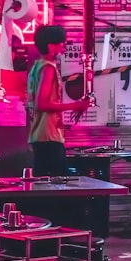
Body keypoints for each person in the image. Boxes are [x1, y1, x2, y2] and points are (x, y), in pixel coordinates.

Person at [25, 25, 91, 176]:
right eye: (61, 43)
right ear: (51, 46)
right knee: (56, 184)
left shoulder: (36, 67)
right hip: (49, 136)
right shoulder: (48, 68)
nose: (63, 46)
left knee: (41, 182)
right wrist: (76, 105)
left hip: (38, 134)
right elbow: (42, 103)